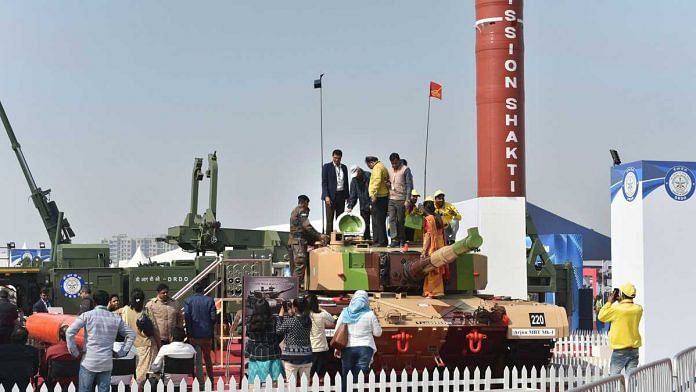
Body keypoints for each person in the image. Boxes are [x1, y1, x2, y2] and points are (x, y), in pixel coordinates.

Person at [67, 290, 136, 392]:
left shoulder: (87, 316)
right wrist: (121, 353)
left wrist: (75, 352)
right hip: (106, 362)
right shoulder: (115, 318)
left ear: (94, 302)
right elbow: (131, 334)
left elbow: (69, 332)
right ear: (108, 301)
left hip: (88, 361)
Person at [334, 290, 382, 389]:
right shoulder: (370, 314)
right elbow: (377, 333)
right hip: (365, 349)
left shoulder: (345, 312)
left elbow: (337, 331)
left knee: (346, 376)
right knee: (358, 377)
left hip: (348, 348)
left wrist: (337, 348)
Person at [115, 288, 160, 385]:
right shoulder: (147, 311)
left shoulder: (125, 310)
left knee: (131, 372)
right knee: (143, 374)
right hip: (146, 346)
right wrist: (159, 345)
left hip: (130, 346)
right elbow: (155, 330)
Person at [598, 283, 643, 376]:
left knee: (613, 379)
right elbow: (627, 308)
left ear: (621, 294)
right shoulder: (638, 309)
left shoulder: (616, 309)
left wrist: (610, 301)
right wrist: (621, 301)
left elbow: (601, 316)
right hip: (634, 349)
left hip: (620, 350)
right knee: (631, 378)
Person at [289, 195, 329, 286]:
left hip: (295, 241)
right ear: (305, 203)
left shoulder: (294, 210)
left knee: (296, 265)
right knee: (300, 263)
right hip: (298, 241)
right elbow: (306, 226)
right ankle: (295, 288)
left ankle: (295, 287)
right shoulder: (302, 210)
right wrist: (319, 236)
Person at [184, 281, 216, 382]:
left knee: (196, 360)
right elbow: (213, 317)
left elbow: (187, 319)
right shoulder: (209, 300)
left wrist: (189, 334)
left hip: (194, 335)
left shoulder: (188, 301)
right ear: (203, 290)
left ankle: (198, 380)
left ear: (193, 290)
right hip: (207, 335)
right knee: (207, 358)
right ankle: (210, 378)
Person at [245, 299, 283, 384]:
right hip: (272, 354)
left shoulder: (250, 321)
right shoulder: (274, 320)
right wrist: (275, 342)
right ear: (268, 308)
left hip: (255, 355)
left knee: (253, 384)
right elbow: (280, 335)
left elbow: (248, 335)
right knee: (275, 384)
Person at [276, 297, 313, 383]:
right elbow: (299, 321)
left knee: (291, 385)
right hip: (306, 356)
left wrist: (280, 316)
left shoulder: (290, 321)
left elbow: (278, 331)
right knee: (305, 385)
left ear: (295, 308)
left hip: (291, 357)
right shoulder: (308, 321)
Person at [421, 198, 447, 298]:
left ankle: (431, 292)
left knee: (431, 269)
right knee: (438, 269)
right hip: (440, 246)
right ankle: (439, 291)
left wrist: (423, 251)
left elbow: (428, 235)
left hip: (432, 247)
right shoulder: (438, 217)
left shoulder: (428, 219)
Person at [387, 153, 413, 247]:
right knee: (392, 219)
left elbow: (409, 185)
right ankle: (394, 239)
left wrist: (407, 200)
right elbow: (388, 181)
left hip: (401, 199)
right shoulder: (389, 170)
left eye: (396, 163)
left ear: (399, 160)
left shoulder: (405, 169)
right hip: (391, 198)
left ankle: (402, 239)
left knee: (400, 220)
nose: (394, 165)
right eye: (392, 163)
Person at [321, 149, 349, 234]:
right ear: (332, 157)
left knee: (340, 218)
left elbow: (346, 182)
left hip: (341, 195)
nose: (337, 160)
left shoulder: (344, 167)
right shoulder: (327, 167)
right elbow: (324, 182)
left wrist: (347, 196)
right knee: (329, 219)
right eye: (335, 158)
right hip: (331, 196)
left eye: (339, 158)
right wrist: (326, 196)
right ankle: (328, 238)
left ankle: (340, 237)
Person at [307, 294, 334, 378]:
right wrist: (322, 309)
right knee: (321, 375)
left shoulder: (305, 316)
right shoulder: (321, 315)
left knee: (309, 375)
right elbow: (332, 319)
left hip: (309, 348)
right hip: (322, 348)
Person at [365, 156, 389, 247]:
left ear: (371, 162)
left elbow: (377, 181)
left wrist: (373, 194)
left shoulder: (377, 168)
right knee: (376, 220)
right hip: (381, 196)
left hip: (379, 197)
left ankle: (381, 241)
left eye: (368, 165)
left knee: (378, 221)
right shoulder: (381, 166)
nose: (369, 167)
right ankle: (377, 240)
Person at [346, 165, 372, 240]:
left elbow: (374, 190)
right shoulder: (354, 180)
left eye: (356, 174)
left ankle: (378, 242)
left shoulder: (368, 176)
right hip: (363, 205)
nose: (356, 176)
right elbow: (353, 195)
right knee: (365, 224)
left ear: (359, 170)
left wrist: (371, 203)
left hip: (373, 203)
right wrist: (350, 206)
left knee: (376, 224)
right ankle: (367, 239)